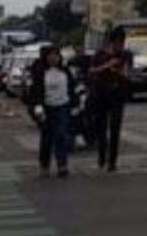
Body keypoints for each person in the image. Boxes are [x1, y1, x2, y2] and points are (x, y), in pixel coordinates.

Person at [28, 46, 79, 178]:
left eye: (56, 55)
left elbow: (72, 87)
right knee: (47, 138)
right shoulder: (40, 72)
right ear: (45, 57)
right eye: (50, 55)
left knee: (61, 135)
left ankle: (62, 165)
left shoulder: (65, 71)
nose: (53, 57)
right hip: (46, 108)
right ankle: (44, 166)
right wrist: (38, 107)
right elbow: (35, 92)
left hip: (62, 106)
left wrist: (74, 104)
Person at [90, 27, 132, 173]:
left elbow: (127, 73)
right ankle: (102, 155)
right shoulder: (100, 54)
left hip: (118, 95)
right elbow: (92, 70)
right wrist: (106, 66)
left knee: (115, 128)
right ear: (111, 42)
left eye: (122, 42)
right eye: (118, 42)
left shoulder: (125, 55)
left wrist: (119, 71)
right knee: (101, 128)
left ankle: (112, 162)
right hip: (101, 94)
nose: (120, 46)